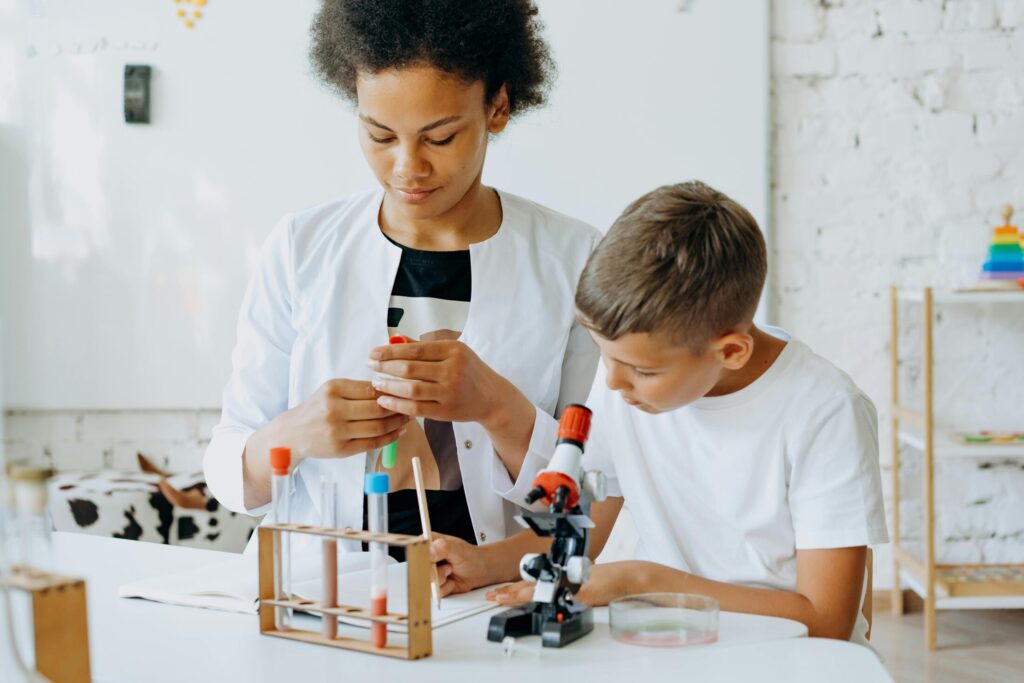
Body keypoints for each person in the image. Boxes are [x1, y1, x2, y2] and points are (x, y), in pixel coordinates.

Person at [203, 0, 601, 559]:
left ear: (499, 107)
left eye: (439, 138)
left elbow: (589, 497)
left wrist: (496, 406)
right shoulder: (301, 247)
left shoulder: (575, 260)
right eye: (380, 135)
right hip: (323, 594)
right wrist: (293, 434)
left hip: (491, 597)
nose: (407, 168)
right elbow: (230, 474)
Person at [487, 181, 888, 645]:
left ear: (731, 351)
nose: (613, 383)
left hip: (788, 657)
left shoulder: (826, 412)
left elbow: (827, 621)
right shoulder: (627, 378)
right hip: (670, 643)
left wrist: (646, 582)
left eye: (641, 369)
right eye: (605, 356)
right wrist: (481, 562)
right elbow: (583, 526)